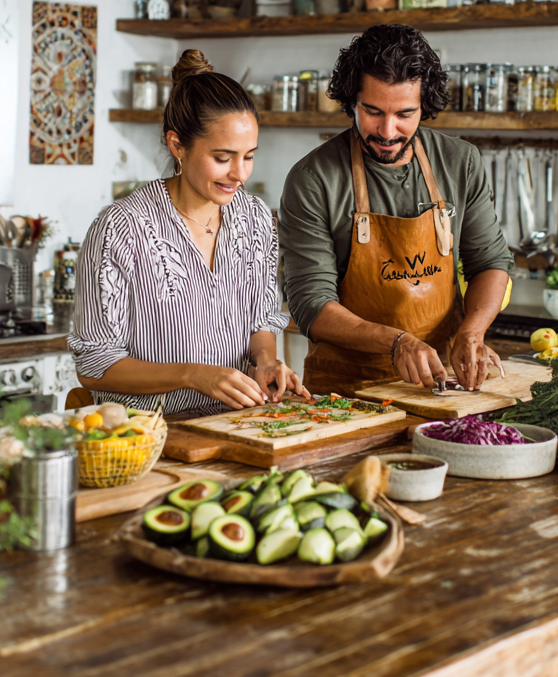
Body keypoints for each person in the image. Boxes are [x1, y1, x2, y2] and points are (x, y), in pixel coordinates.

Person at [278, 23, 513, 396]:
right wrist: (397, 341)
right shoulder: (313, 178)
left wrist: (472, 330)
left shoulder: (459, 162)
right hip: (346, 392)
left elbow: (490, 263)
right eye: (372, 111)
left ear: (426, 106)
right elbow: (312, 304)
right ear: (351, 99)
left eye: (404, 114)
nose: (387, 131)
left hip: (441, 384)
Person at [70, 49, 305, 414]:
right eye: (223, 158)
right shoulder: (120, 228)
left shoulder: (255, 218)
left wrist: (264, 361)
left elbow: (262, 319)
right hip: (147, 438)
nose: (240, 174)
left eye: (249, 156)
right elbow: (95, 366)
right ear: (176, 144)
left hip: (239, 426)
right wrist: (194, 375)